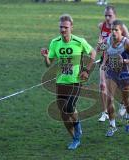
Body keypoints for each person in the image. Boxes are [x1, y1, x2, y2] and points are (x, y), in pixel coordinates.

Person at [41, 14, 96, 150]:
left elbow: (93, 53)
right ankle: (75, 139)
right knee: (64, 114)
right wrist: (46, 57)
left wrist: (86, 70)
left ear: (71, 27)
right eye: (61, 27)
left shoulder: (79, 41)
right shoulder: (55, 42)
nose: (63, 30)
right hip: (61, 82)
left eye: (65, 27)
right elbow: (49, 64)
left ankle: (77, 128)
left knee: (69, 107)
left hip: (75, 81)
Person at [96, 5, 129, 122]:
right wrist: (98, 47)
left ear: (115, 15)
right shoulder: (101, 26)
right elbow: (101, 44)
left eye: (110, 15)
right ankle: (105, 112)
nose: (107, 18)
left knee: (121, 87)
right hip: (106, 60)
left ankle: (123, 103)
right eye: (105, 15)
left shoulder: (122, 27)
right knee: (102, 85)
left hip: (120, 62)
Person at [102, 20, 129, 137]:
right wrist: (104, 63)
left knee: (126, 99)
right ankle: (112, 125)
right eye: (112, 30)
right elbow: (105, 53)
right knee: (109, 99)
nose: (113, 32)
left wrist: (124, 60)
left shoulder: (127, 44)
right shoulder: (107, 40)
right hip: (111, 72)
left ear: (121, 31)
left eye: (116, 30)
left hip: (124, 73)